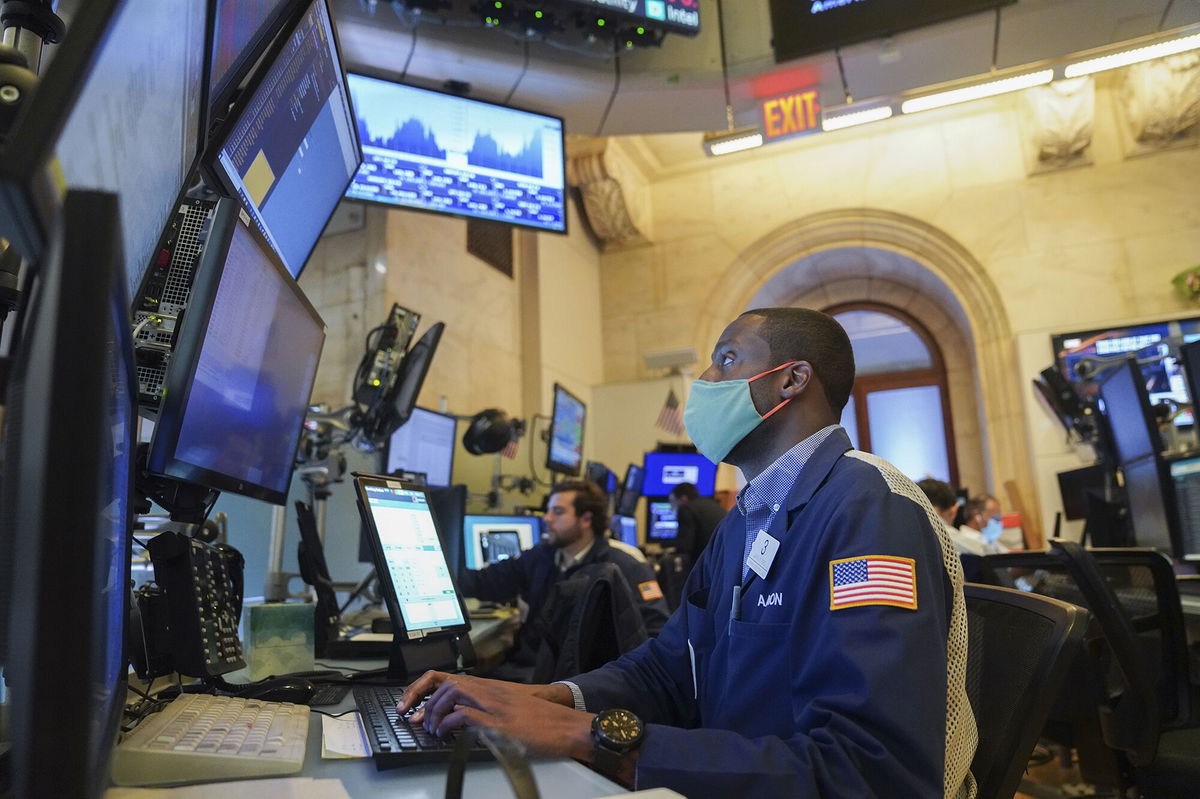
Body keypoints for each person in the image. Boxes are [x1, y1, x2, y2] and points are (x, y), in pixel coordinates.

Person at [400, 307, 977, 798]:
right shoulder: (746, 521)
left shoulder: (870, 510)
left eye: (726, 359)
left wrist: (586, 736)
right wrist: (540, 698)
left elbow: (871, 772)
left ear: (792, 380)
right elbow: (669, 668)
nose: (704, 379)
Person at [458, 480, 670, 677]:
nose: (547, 518)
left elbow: (656, 633)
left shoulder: (623, 566)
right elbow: (483, 581)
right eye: (548, 510)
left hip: (576, 682)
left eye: (557, 512)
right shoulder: (541, 556)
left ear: (586, 519)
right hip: (523, 671)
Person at [666, 481, 726, 564]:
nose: (672, 508)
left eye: (673, 502)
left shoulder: (686, 508)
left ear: (683, 498)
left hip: (705, 561)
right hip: (723, 559)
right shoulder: (714, 504)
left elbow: (685, 546)